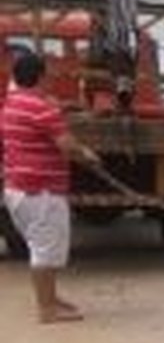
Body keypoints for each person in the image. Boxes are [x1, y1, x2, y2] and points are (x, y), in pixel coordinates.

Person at [1, 52, 100, 323]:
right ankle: (46, 308)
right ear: (41, 76)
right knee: (44, 248)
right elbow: (66, 144)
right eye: (49, 73)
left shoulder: (12, 103)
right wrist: (88, 154)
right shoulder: (41, 108)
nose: (53, 77)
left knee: (42, 245)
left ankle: (51, 299)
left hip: (20, 188)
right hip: (40, 190)